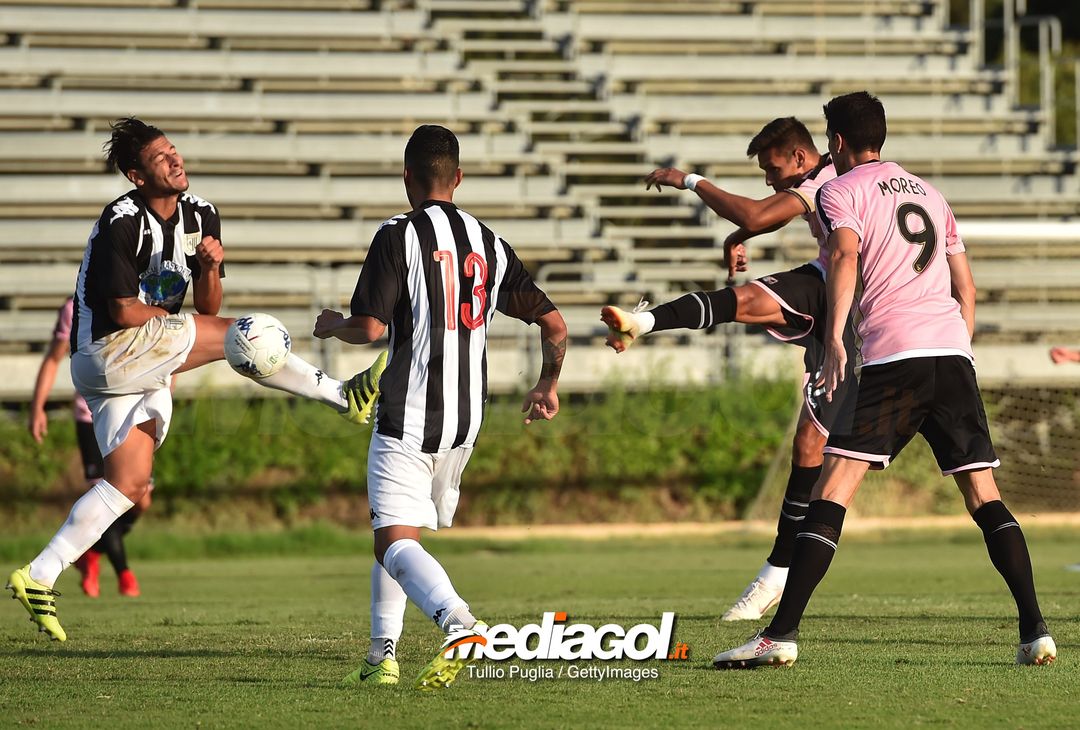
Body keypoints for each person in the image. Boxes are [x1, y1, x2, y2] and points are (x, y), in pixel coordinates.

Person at [712, 91, 1056, 669]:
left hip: (896, 356)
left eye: (829, 141)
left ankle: (780, 635)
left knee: (834, 488)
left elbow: (843, 258)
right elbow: (965, 287)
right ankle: (1035, 631)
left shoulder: (840, 189)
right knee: (984, 497)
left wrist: (836, 340)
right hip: (952, 354)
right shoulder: (931, 193)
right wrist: (960, 351)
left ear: (838, 143)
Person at [7, 117, 383, 642]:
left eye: (174, 150)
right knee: (250, 334)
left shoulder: (202, 214)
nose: (175, 160)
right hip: (106, 352)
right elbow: (120, 309)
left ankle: (39, 574)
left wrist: (209, 267)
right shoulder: (120, 218)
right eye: (161, 158)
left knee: (129, 484)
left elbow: (206, 305)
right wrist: (187, 336)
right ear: (136, 176)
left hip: (140, 359)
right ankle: (343, 396)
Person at [314, 124, 567, 690]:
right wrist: (547, 384)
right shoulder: (490, 242)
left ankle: (461, 623)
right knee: (399, 533)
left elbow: (370, 326)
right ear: (458, 178)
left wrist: (334, 326)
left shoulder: (396, 234)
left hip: (408, 407)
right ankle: (382, 657)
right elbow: (554, 323)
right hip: (465, 419)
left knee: (393, 540)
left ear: (407, 177)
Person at [603, 117, 853, 621]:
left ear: (801, 158)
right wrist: (741, 231)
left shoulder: (830, 180)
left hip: (860, 312)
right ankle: (643, 321)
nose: (768, 178)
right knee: (744, 305)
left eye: (772, 167)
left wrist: (690, 181)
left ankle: (779, 574)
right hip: (830, 291)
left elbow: (763, 215)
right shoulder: (818, 176)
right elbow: (765, 215)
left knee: (823, 451)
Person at [29, 296, 151, 597]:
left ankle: (90, 551)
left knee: (141, 498)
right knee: (110, 493)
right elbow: (53, 358)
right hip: (92, 416)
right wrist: (37, 408)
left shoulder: (138, 302)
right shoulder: (74, 308)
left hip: (134, 411)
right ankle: (125, 576)